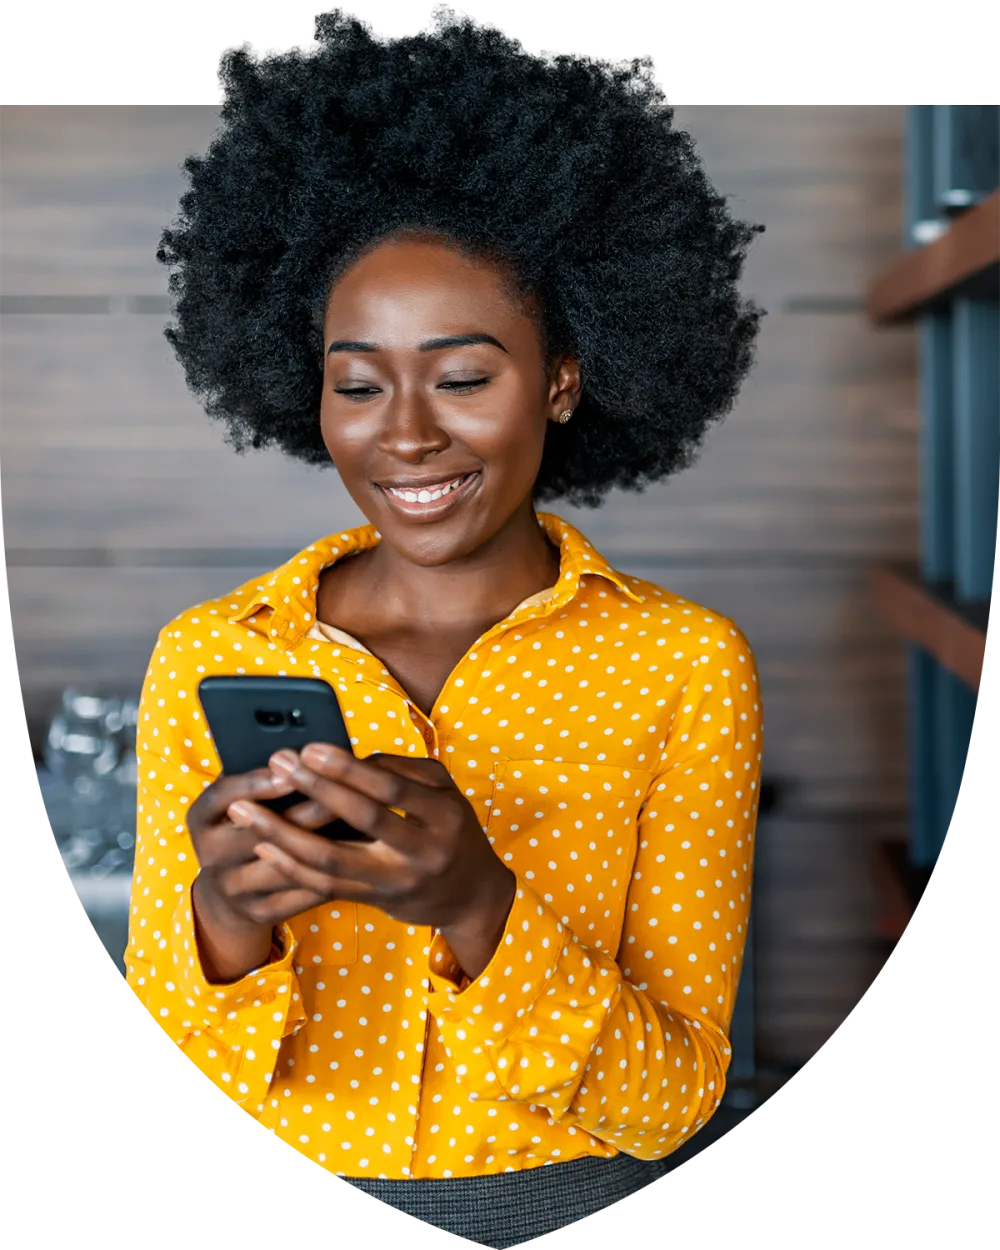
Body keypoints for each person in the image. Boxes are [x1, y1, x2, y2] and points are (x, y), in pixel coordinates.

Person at [125, 11, 765, 1247]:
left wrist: (478, 905)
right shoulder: (213, 649)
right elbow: (176, 1036)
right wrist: (228, 918)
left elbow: (671, 1101)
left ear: (563, 377)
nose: (404, 433)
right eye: (357, 382)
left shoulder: (682, 664)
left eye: (463, 377)